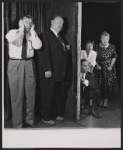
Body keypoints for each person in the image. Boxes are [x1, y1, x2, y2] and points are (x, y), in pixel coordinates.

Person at [6, 15, 42, 128]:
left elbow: (38, 46)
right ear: (20, 22)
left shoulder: (31, 34)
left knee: (30, 94)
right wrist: (22, 29)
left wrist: (32, 32)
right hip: (15, 64)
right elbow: (13, 40)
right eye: (26, 22)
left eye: (30, 23)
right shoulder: (12, 32)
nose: (28, 24)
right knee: (17, 95)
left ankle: (30, 121)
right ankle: (18, 125)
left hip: (29, 63)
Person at [37, 15, 70, 125]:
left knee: (55, 95)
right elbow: (43, 53)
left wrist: (66, 47)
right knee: (47, 95)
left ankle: (54, 114)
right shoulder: (45, 35)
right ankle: (45, 117)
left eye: (62, 23)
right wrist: (47, 69)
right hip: (49, 72)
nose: (60, 24)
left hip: (58, 72)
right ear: (52, 22)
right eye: (58, 22)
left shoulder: (59, 37)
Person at [95, 31, 118, 107]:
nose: (105, 40)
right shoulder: (97, 46)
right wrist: (97, 65)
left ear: (109, 39)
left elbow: (114, 57)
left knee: (107, 84)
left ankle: (105, 99)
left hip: (108, 68)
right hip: (99, 68)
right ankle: (100, 99)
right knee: (99, 84)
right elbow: (93, 57)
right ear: (100, 39)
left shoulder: (112, 46)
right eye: (103, 38)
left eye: (107, 38)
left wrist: (110, 66)